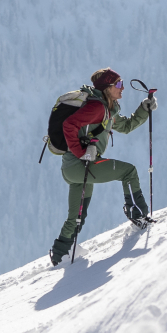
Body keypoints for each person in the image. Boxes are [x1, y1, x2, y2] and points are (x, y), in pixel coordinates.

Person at [51, 67, 156, 266]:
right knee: (129, 172)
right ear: (107, 88)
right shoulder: (97, 108)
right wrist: (82, 152)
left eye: (122, 83)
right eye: (118, 84)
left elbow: (125, 126)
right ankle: (138, 214)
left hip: (72, 168)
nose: (122, 87)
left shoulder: (107, 110)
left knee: (77, 215)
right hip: (80, 164)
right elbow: (69, 126)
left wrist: (144, 108)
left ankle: (60, 254)